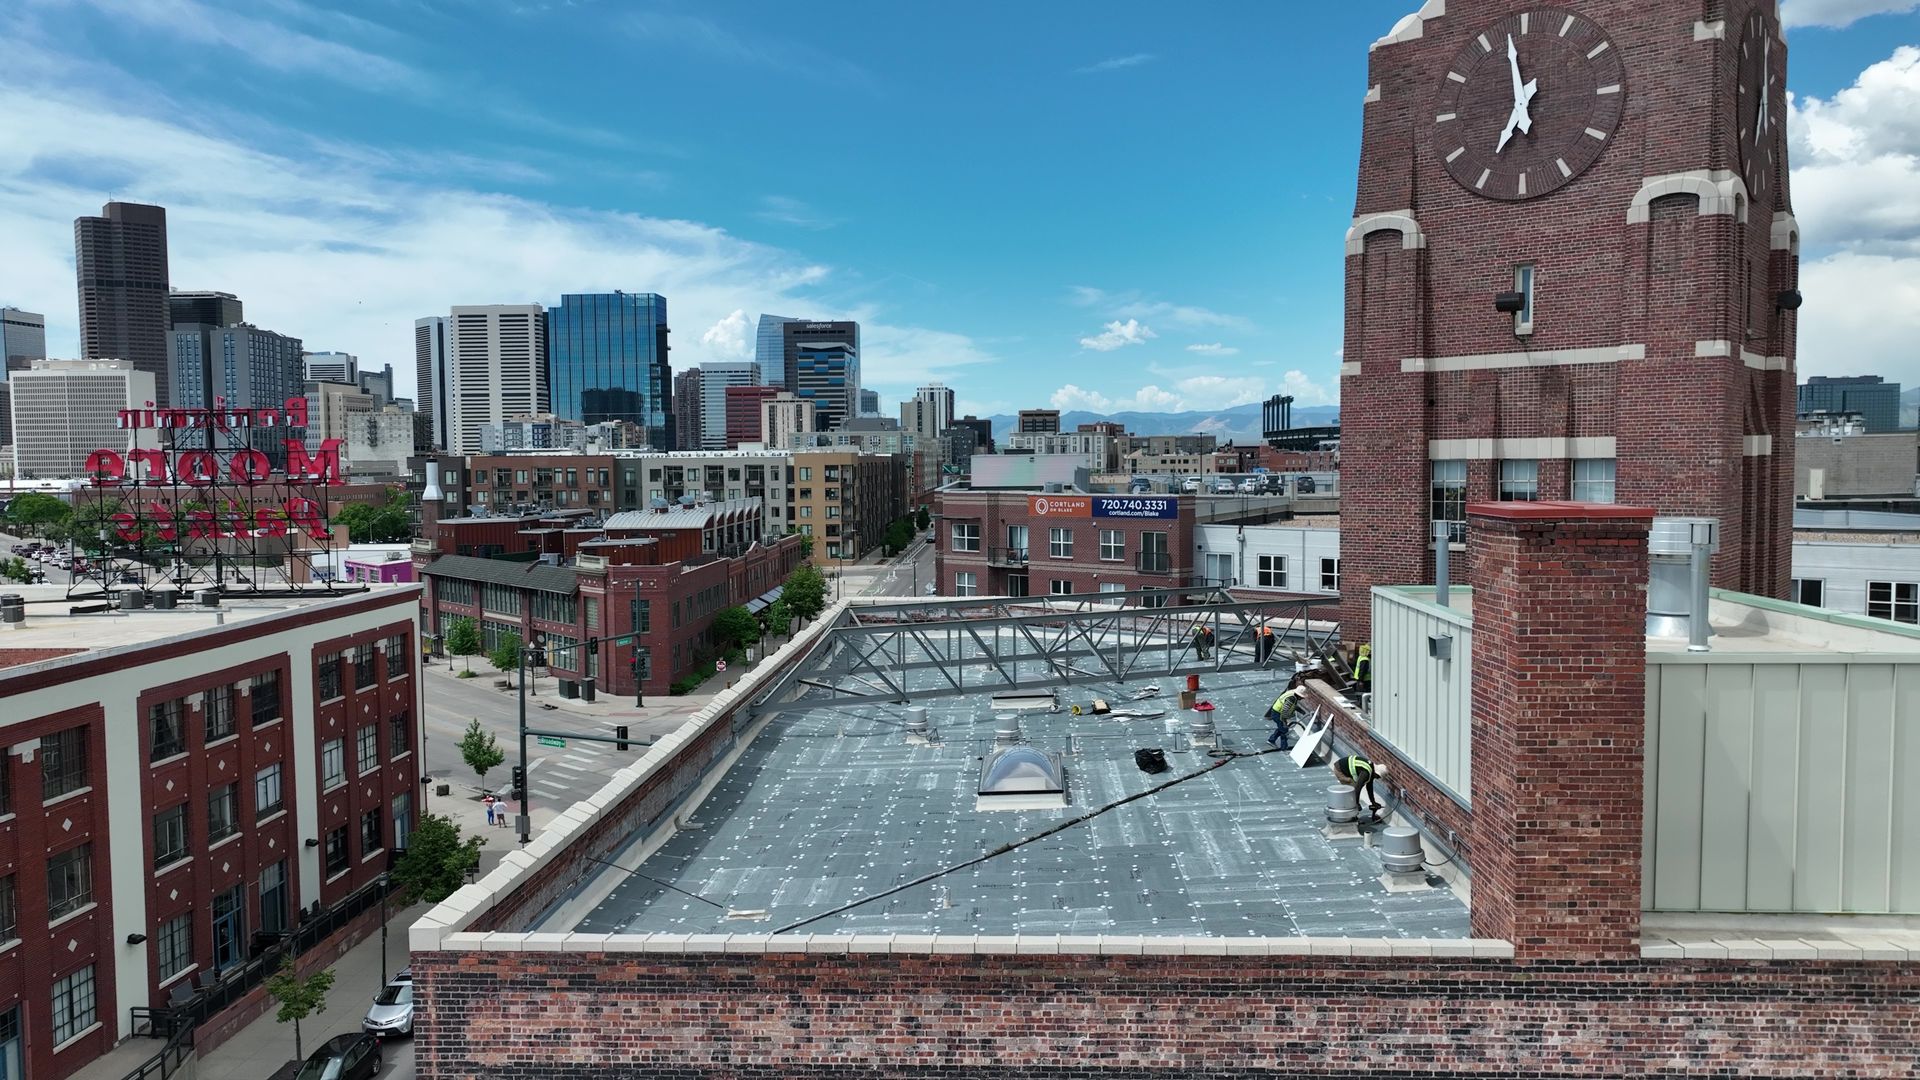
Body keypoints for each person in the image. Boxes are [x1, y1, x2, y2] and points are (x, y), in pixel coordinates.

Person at [1331, 753, 1383, 822]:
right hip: (1340, 770)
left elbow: (1369, 788)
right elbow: (1357, 788)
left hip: (1344, 768)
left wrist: (1373, 802)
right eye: (1378, 776)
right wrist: (1357, 804)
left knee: (1354, 793)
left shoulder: (1371, 770)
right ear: (1376, 773)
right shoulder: (1366, 773)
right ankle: (1351, 818)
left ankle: (1353, 815)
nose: (1377, 778)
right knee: (1351, 792)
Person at [1264, 678, 1307, 749]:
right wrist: (1284, 722)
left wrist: (1302, 711)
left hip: (1276, 712)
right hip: (1278, 713)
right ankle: (1283, 747)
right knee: (1284, 730)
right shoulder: (1291, 699)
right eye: (1302, 697)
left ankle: (1271, 740)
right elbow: (1285, 711)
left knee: (1281, 728)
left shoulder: (1292, 695)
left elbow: (1293, 706)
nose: (1302, 698)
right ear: (1299, 695)